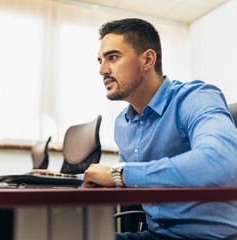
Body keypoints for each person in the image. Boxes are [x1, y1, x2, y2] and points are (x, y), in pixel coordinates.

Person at [81, 18, 237, 239]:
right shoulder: (123, 123)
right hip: (155, 235)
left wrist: (120, 174)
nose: (102, 70)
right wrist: (55, 180)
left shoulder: (196, 98)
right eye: (100, 61)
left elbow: (221, 162)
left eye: (112, 57)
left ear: (148, 59)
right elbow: (121, 180)